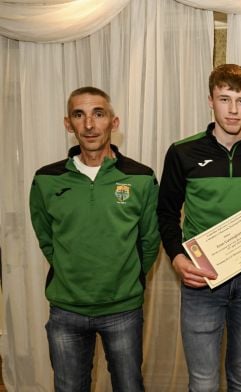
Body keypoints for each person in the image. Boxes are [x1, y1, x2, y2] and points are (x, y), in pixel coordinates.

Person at [157, 64, 241, 391]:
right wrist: (176, 258)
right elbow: (166, 213)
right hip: (202, 281)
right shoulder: (182, 152)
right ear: (210, 101)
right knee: (202, 381)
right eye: (224, 99)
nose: (232, 109)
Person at [29, 86, 160, 392]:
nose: (89, 125)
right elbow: (45, 236)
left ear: (113, 122)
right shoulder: (45, 179)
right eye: (79, 115)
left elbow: (149, 240)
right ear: (68, 124)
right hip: (66, 310)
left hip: (123, 309)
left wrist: (128, 280)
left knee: (129, 386)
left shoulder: (141, 177)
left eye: (98, 114)